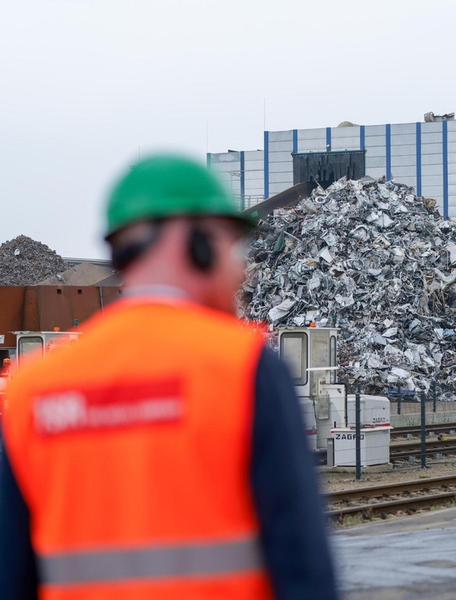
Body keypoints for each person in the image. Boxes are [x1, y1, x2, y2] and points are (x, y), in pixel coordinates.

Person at [0, 155, 339, 599]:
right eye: (230, 245)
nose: (239, 269)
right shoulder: (243, 368)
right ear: (195, 241)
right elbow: (303, 566)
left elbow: (11, 576)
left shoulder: (32, 388)